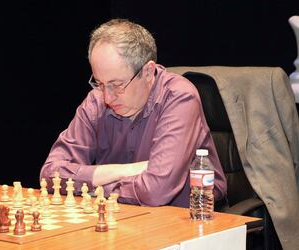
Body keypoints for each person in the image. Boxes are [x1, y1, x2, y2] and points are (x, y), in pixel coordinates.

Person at [40, 19, 227, 207]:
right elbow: (49, 174)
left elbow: (155, 191)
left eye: (116, 85)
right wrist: (126, 170)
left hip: (190, 218)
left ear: (148, 71)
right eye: (99, 83)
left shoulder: (179, 97)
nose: (106, 97)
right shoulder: (96, 101)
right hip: (123, 217)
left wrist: (97, 186)